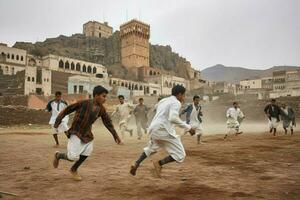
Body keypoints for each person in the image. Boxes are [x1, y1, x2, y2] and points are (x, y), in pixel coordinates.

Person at [52, 86, 121, 181]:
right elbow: (67, 110)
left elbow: (108, 122)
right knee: (72, 157)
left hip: (87, 134)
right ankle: (58, 155)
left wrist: (115, 135)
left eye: (106, 97)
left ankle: (73, 169)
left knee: (87, 151)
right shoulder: (84, 103)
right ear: (96, 95)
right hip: (76, 131)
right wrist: (57, 121)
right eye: (103, 96)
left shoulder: (101, 109)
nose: (105, 99)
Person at [129, 85, 196, 178]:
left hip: (153, 128)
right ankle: (159, 164)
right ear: (179, 94)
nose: (184, 98)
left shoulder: (164, 100)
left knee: (151, 148)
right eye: (184, 95)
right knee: (180, 155)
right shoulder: (176, 102)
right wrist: (189, 128)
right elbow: (173, 118)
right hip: (163, 130)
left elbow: (155, 109)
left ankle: (136, 163)